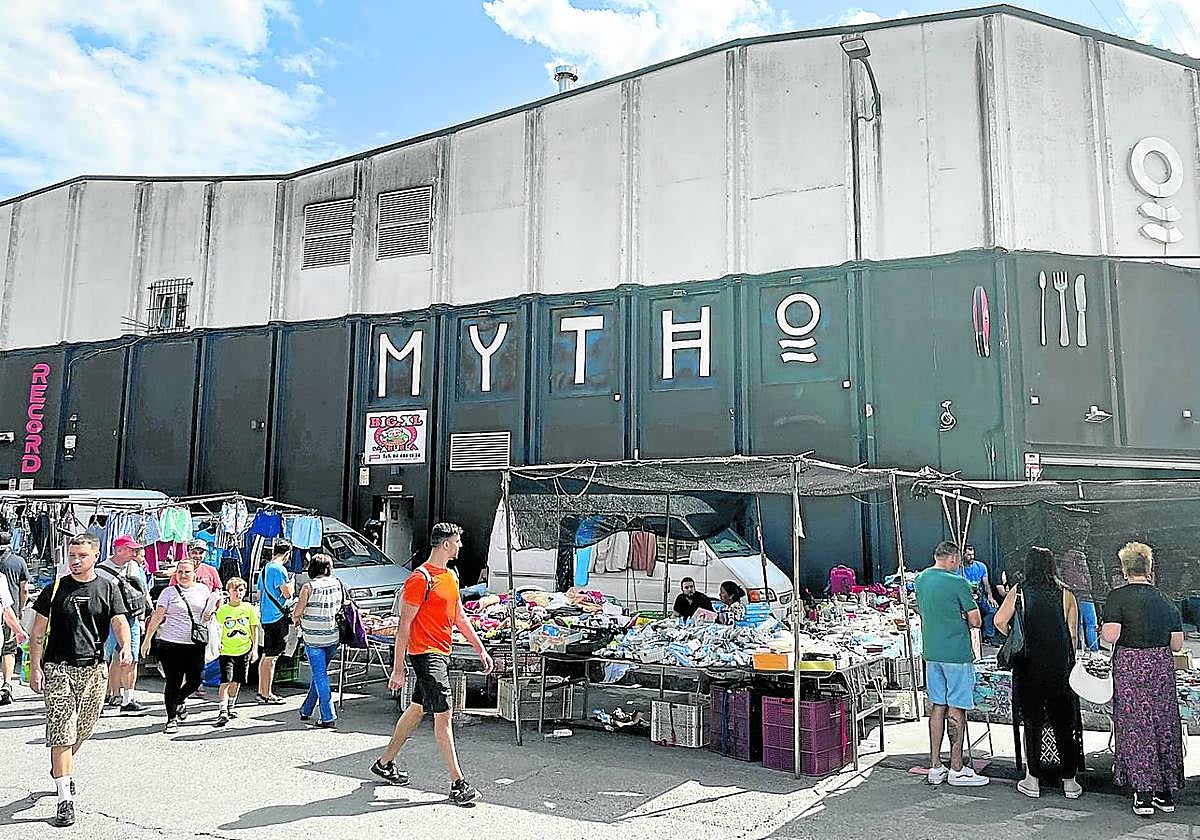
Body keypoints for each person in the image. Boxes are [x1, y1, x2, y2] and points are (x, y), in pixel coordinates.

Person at [371, 523, 493, 806]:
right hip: (425, 655)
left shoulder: (451, 575)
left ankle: (385, 762)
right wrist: (398, 668)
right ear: (446, 544)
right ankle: (458, 783)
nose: (461, 546)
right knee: (444, 715)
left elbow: (460, 618)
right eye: (458, 541)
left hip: (441, 652)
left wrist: (481, 650)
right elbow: (404, 627)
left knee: (416, 710)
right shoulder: (419, 579)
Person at [28, 534, 132, 828]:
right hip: (59, 669)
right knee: (62, 732)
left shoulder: (108, 588)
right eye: (72, 556)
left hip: (94, 670)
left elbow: (120, 620)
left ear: (95, 556)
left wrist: (125, 646)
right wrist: (36, 668)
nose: (75, 561)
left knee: (81, 731)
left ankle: (61, 767)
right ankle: (65, 797)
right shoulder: (55, 589)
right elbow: (37, 634)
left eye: (82, 556)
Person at [1101, 541, 1185, 817]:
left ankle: (1143, 794)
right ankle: (1165, 792)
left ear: (1125, 569)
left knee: (1137, 727)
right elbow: (1177, 644)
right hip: (1161, 666)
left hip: (1131, 666)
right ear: (1149, 569)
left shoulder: (1118, 597)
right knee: (1162, 725)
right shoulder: (1166, 599)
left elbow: (1110, 636)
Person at [994, 546, 1084, 799]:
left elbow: (999, 621)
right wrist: (1069, 658)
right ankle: (1070, 782)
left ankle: (1032, 779)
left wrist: (1015, 636)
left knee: (1032, 721)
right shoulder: (1066, 594)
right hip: (1059, 667)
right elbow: (1073, 633)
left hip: (1028, 665)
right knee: (1064, 722)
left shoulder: (1019, 591)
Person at [913, 540, 989, 787]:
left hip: (932, 652)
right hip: (956, 654)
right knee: (957, 708)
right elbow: (976, 620)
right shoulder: (959, 582)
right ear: (954, 559)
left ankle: (935, 765)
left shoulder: (921, 579)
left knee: (937, 706)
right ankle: (956, 767)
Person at [141, 556, 218, 733]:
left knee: (196, 679)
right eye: (180, 572)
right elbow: (157, 617)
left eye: (187, 572)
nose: (183, 575)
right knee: (173, 681)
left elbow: (211, 609)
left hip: (195, 643)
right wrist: (147, 640)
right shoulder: (168, 592)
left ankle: (179, 700)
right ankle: (171, 718)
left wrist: (211, 613)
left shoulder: (203, 590)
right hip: (171, 643)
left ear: (194, 573)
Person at [98, 535, 150, 715]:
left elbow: (142, 592)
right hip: (110, 619)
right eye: (131, 549)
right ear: (119, 550)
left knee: (132, 657)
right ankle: (106, 696)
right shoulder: (102, 571)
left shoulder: (134, 566)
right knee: (105, 658)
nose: (135, 552)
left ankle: (128, 698)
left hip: (132, 617)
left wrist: (143, 617)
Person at [293, 554, 343, 728]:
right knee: (319, 673)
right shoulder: (337, 583)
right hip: (332, 636)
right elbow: (339, 606)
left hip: (313, 638)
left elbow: (298, 611)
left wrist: (296, 619)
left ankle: (328, 715)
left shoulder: (308, 586)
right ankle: (306, 709)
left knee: (320, 675)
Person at [214, 577, 258, 727]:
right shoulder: (222, 611)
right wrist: (217, 644)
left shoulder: (249, 608)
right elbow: (217, 630)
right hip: (226, 650)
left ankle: (231, 705)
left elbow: (254, 628)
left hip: (244, 649)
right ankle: (222, 710)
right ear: (228, 592)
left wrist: (255, 649)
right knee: (226, 680)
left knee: (237, 680)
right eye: (235, 590)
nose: (238, 593)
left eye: (241, 590)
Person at [256, 539, 294, 705]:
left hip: (266, 615)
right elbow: (287, 594)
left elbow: (259, 593)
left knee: (266, 655)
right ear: (287, 554)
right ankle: (267, 693)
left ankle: (261, 690)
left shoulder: (265, 568)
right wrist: (291, 585)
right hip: (277, 616)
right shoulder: (280, 569)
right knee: (272, 656)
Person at [0, 531, 30, 705]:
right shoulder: (18, 561)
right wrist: (21, 609)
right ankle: (7, 682)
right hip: (9, 611)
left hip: (6, 610)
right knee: (9, 649)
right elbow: (24, 589)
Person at [959, 545, 999, 644]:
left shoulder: (981, 566)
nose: (971, 557)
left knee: (992, 609)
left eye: (973, 554)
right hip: (966, 598)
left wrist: (990, 597)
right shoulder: (958, 569)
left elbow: (986, 583)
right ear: (963, 555)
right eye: (968, 555)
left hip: (980, 596)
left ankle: (989, 637)